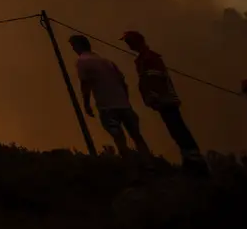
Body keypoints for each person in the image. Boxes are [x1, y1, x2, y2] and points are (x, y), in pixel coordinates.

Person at [121, 30, 205, 173]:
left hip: (165, 101)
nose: (128, 45)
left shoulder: (149, 58)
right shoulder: (144, 58)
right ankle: (190, 160)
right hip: (163, 101)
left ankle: (195, 163)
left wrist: (153, 98)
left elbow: (155, 80)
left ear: (137, 42)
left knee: (178, 130)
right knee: (176, 130)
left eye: (129, 42)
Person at [70, 35, 151, 156]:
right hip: (124, 105)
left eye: (73, 46)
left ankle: (129, 163)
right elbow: (123, 82)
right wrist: (125, 99)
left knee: (119, 138)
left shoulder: (82, 61)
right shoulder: (106, 61)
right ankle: (148, 162)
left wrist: (86, 105)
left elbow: (85, 84)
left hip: (107, 107)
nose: (73, 49)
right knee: (137, 136)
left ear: (78, 46)